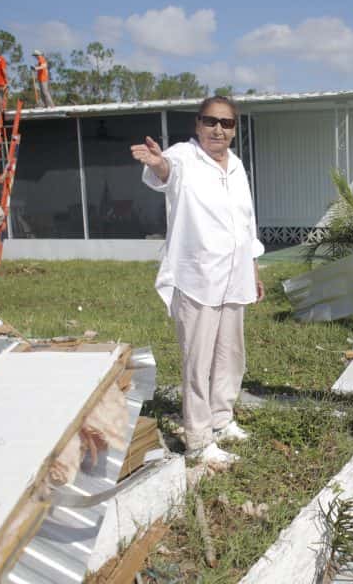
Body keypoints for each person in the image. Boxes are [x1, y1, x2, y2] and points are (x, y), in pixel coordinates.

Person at [131, 95, 264, 456]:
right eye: (210, 121)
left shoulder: (236, 166)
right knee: (198, 360)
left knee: (230, 355)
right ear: (197, 124)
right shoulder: (182, 157)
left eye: (226, 123)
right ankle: (199, 438)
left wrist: (252, 265)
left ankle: (222, 418)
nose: (217, 129)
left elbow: (246, 220)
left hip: (235, 275)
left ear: (234, 130)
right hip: (197, 277)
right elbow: (165, 174)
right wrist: (159, 164)